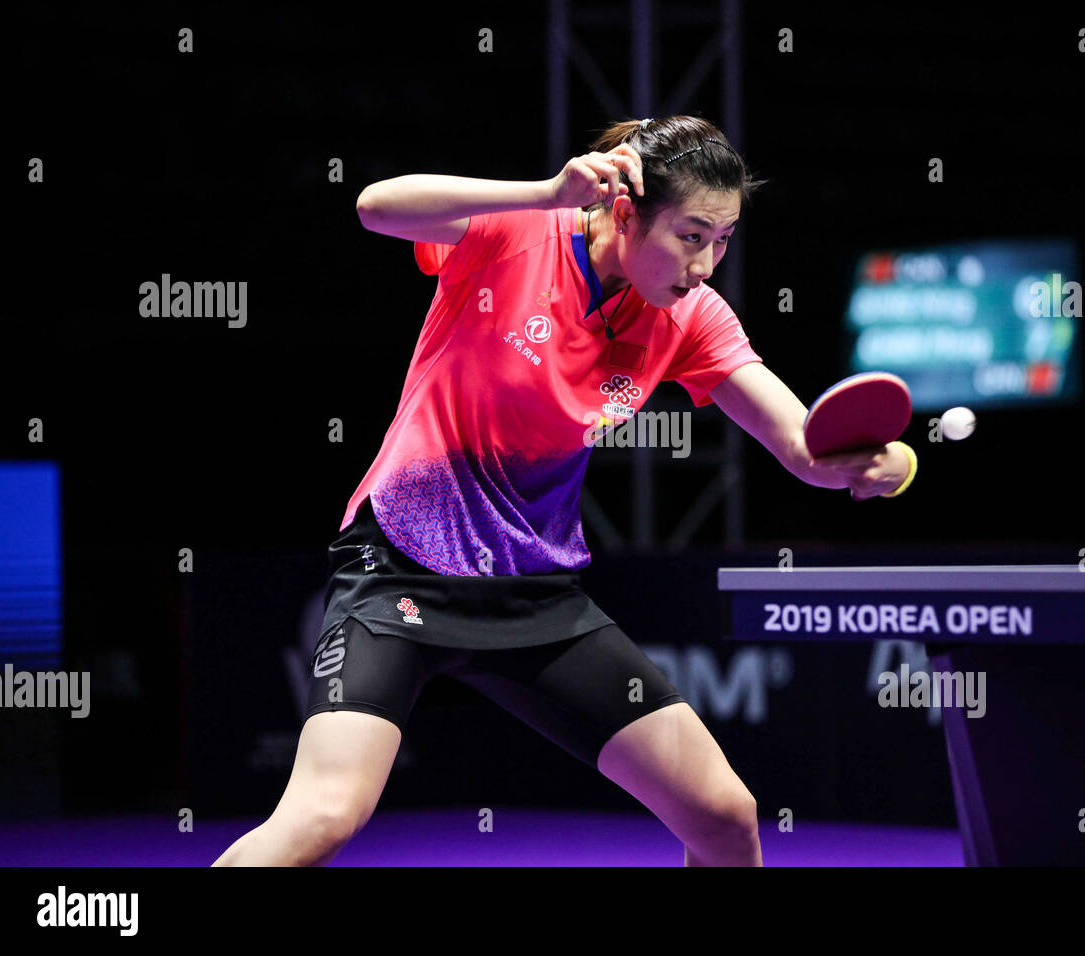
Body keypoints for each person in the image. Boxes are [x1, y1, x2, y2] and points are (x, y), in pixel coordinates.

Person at [212, 115, 915, 868]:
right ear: (623, 212)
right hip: (401, 568)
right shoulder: (519, 234)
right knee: (323, 817)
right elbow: (376, 206)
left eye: (723, 240)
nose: (706, 263)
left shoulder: (690, 317)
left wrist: (862, 465)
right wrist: (547, 192)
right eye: (690, 235)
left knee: (723, 816)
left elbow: (802, 445)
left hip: (536, 597)